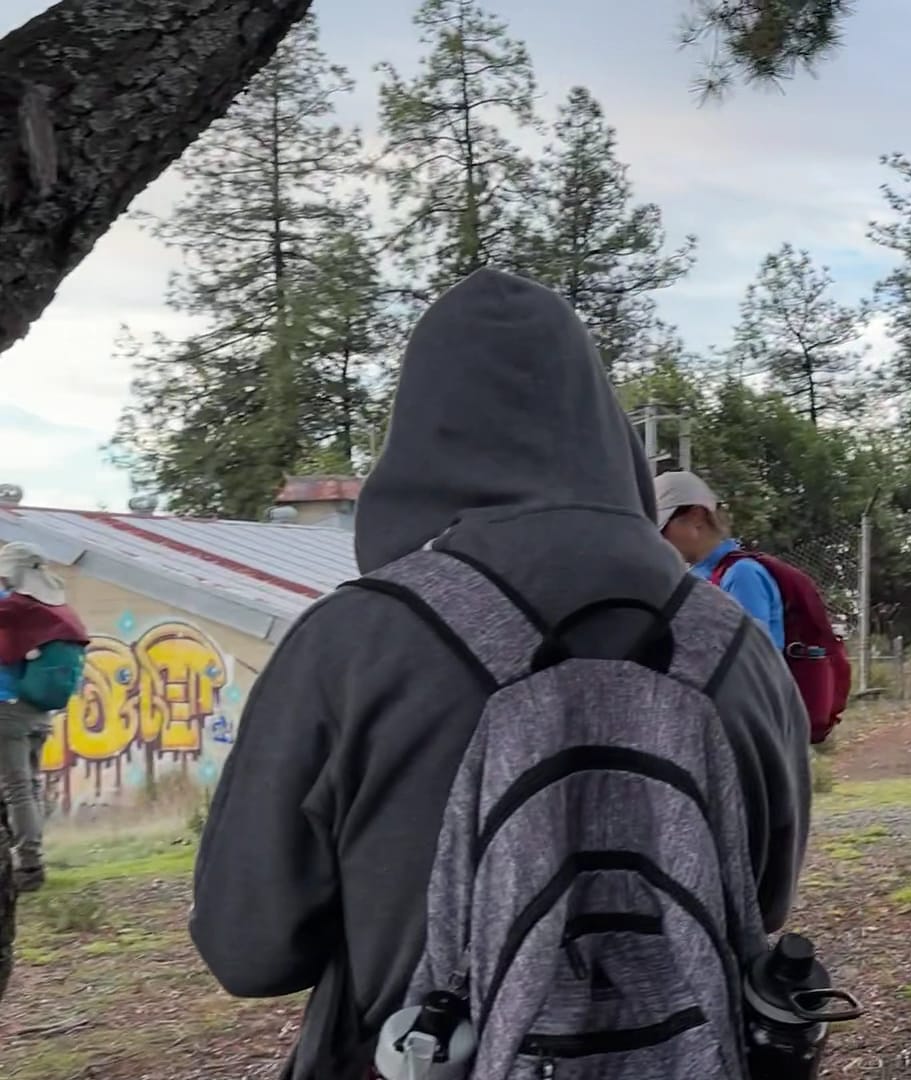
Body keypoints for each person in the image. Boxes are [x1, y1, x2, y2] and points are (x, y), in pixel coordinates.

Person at [189, 270, 812, 1080]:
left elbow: (250, 949)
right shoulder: (735, 644)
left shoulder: (352, 641)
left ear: (419, 438)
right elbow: (757, 904)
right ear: (606, 429)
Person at [0, 541, 88, 893]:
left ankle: (29, 867)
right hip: (39, 712)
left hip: (8, 710)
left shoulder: (14, 608)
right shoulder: (51, 608)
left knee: (17, 789)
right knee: (30, 788)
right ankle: (31, 859)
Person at [655, 471, 785, 650]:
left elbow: (749, 657)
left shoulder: (742, 574)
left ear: (696, 517)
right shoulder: (696, 576)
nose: (658, 540)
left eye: (661, 530)